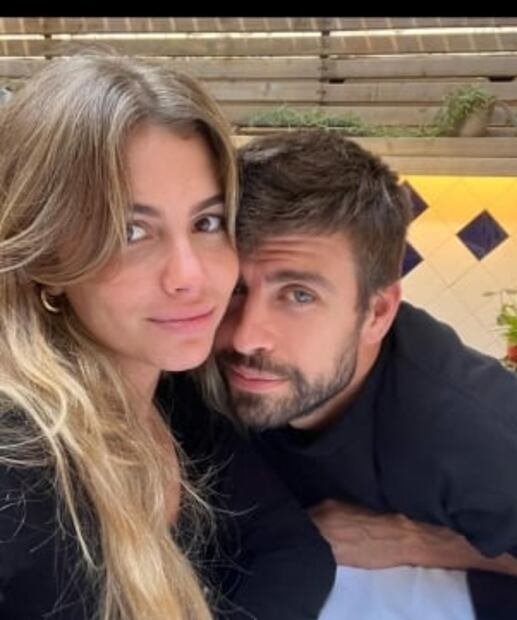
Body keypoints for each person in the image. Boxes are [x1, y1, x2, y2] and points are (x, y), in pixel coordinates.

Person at [0, 52, 334, 619]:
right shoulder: (20, 464)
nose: (190, 276)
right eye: (131, 231)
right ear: (46, 258)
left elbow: (293, 551)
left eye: (206, 222)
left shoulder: (175, 395)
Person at [192, 131, 517, 619]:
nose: (246, 337)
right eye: (234, 288)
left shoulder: (472, 432)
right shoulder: (194, 364)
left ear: (377, 313)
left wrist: (417, 541)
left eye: (299, 295)